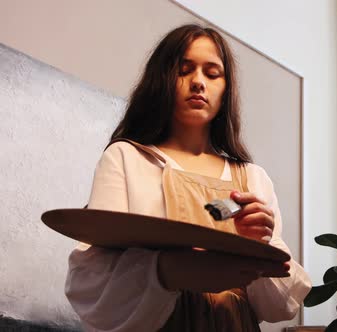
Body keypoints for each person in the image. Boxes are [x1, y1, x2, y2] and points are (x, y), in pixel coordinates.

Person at [64, 24, 311, 332]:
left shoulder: (252, 177)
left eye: (212, 73)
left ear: (227, 89)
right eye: (184, 70)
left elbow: (278, 308)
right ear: (162, 79)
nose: (198, 82)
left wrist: (259, 247)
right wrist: (167, 272)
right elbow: (89, 282)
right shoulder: (126, 159)